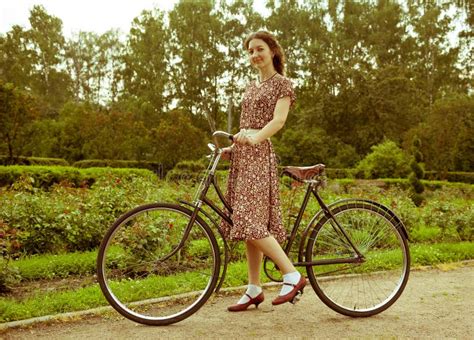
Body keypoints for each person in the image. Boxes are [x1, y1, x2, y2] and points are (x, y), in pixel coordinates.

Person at [219, 30, 305, 312]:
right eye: (250, 51)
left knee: (248, 221)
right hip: (244, 159)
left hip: (259, 159)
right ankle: (254, 288)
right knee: (247, 225)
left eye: (260, 49)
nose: (255, 55)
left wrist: (255, 138)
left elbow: (278, 121)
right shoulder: (251, 87)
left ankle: (291, 275)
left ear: (273, 52)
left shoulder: (283, 84)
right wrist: (235, 146)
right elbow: (246, 125)